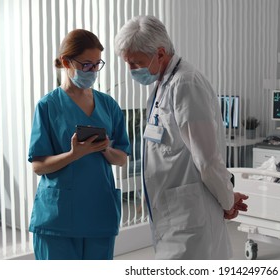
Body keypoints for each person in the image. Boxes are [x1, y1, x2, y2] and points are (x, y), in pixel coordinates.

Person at [114, 15, 248, 259]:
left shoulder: (186, 84)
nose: (132, 70)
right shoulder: (162, 84)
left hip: (189, 216)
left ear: (160, 53)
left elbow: (207, 159)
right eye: (128, 63)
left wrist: (228, 201)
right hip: (172, 213)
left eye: (136, 63)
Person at [28, 29, 130, 260]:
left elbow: (122, 159)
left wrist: (104, 148)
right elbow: (39, 166)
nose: (93, 71)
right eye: (86, 65)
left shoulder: (108, 105)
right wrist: (75, 154)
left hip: (98, 211)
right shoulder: (47, 106)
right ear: (66, 62)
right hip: (58, 218)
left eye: (97, 64)